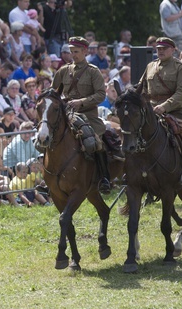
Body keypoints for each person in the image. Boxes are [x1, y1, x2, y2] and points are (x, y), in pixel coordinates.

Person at [51, 36, 110, 193]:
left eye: (76, 52)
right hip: (67, 115)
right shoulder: (63, 71)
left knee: (95, 142)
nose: (73, 55)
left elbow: (101, 95)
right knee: (48, 138)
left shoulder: (93, 71)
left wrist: (81, 101)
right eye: (71, 52)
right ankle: (49, 178)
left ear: (85, 51)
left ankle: (104, 178)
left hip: (88, 115)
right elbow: (53, 92)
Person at [140, 37, 182, 185]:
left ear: (173, 50)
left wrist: (165, 106)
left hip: (177, 109)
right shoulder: (150, 66)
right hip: (152, 110)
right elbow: (141, 87)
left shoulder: (180, 67)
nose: (161, 51)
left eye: (164, 48)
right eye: (158, 48)